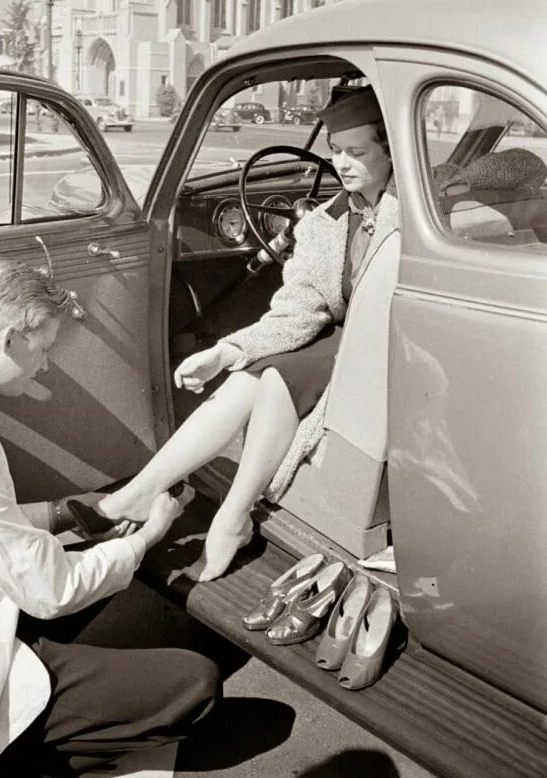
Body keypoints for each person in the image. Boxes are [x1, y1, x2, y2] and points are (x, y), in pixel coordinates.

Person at [0, 259, 218, 774]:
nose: (45, 366)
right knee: (195, 681)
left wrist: (80, 515)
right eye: (44, 349)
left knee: (96, 575)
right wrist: (145, 540)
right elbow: (51, 593)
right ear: (10, 340)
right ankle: (10, 759)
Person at [87, 85, 400, 582]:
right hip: (344, 337)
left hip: (393, 343)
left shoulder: (414, 213)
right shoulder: (327, 220)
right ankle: (148, 490)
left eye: (357, 152)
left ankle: (231, 516)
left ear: (392, 149)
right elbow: (296, 313)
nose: (341, 164)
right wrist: (225, 350)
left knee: (277, 377)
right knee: (250, 376)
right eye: (335, 151)